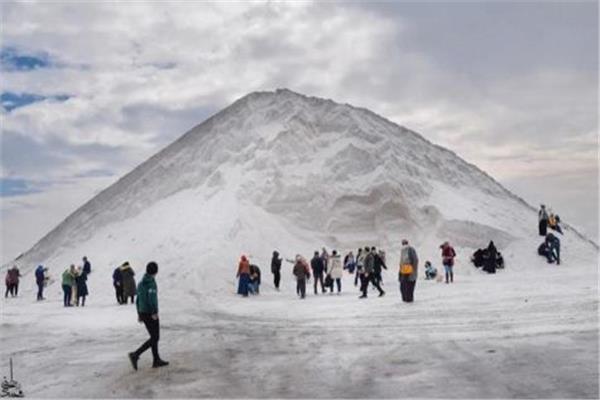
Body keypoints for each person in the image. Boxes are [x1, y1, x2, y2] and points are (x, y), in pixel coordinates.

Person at [128, 261, 168, 370]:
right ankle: (135, 354)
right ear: (156, 271)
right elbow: (152, 299)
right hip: (150, 313)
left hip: (143, 312)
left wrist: (139, 313)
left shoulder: (141, 283)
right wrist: (154, 312)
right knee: (155, 337)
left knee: (153, 337)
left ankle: (156, 360)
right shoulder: (151, 283)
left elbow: (138, 300)